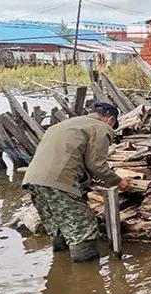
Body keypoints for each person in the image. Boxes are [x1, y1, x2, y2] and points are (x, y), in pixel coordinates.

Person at [23, 102, 130, 262]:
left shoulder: (64, 124)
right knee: (83, 227)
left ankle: (62, 270)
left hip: (32, 181)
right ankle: (88, 278)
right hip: (58, 181)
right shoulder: (101, 127)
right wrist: (118, 182)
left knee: (58, 225)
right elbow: (97, 165)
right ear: (111, 120)